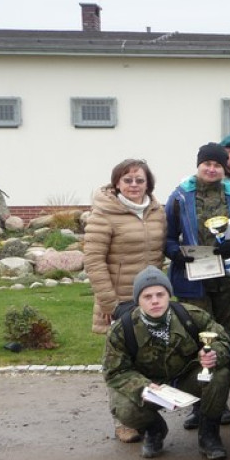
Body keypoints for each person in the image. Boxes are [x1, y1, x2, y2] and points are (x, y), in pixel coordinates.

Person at [103, 266, 230, 460]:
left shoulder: (190, 316)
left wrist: (214, 354)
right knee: (124, 408)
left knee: (219, 374)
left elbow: (222, 340)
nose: (155, 301)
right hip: (150, 386)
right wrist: (142, 387)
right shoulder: (123, 329)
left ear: (168, 295)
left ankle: (209, 433)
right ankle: (154, 430)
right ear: (137, 299)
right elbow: (115, 372)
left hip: (185, 379)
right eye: (147, 296)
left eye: (160, 294)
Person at [83, 158, 167, 444]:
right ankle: (123, 421)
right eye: (127, 180)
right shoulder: (104, 213)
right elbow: (93, 261)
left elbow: (159, 256)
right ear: (116, 183)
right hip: (118, 301)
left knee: (146, 360)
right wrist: (112, 304)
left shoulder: (157, 212)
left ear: (148, 184)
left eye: (139, 180)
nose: (133, 185)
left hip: (151, 300)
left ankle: (144, 414)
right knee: (119, 363)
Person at [164, 142, 230, 343]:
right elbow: (167, 236)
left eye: (217, 165)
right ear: (198, 165)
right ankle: (201, 371)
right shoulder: (180, 197)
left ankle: (229, 371)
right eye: (207, 163)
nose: (212, 169)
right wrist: (175, 253)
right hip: (194, 279)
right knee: (197, 332)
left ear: (224, 169)